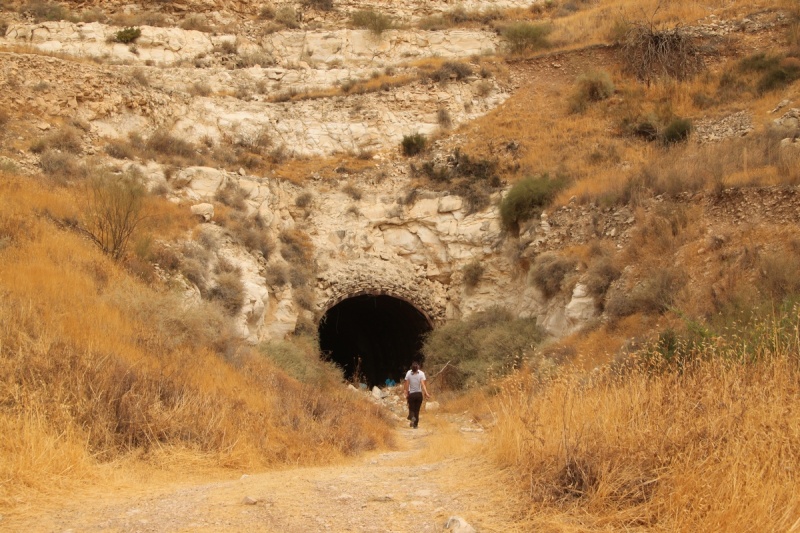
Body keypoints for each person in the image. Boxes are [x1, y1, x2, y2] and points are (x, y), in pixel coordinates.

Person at [404, 362, 430, 429]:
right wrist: (426, 393)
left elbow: (407, 384)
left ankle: (412, 418)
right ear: (418, 367)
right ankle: (415, 425)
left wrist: (406, 393)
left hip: (412, 394)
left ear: (411, 368)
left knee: (411, 409)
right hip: (419, 394)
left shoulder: (408, 373)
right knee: (417, 410)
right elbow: (423, 385)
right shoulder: (421, 373)